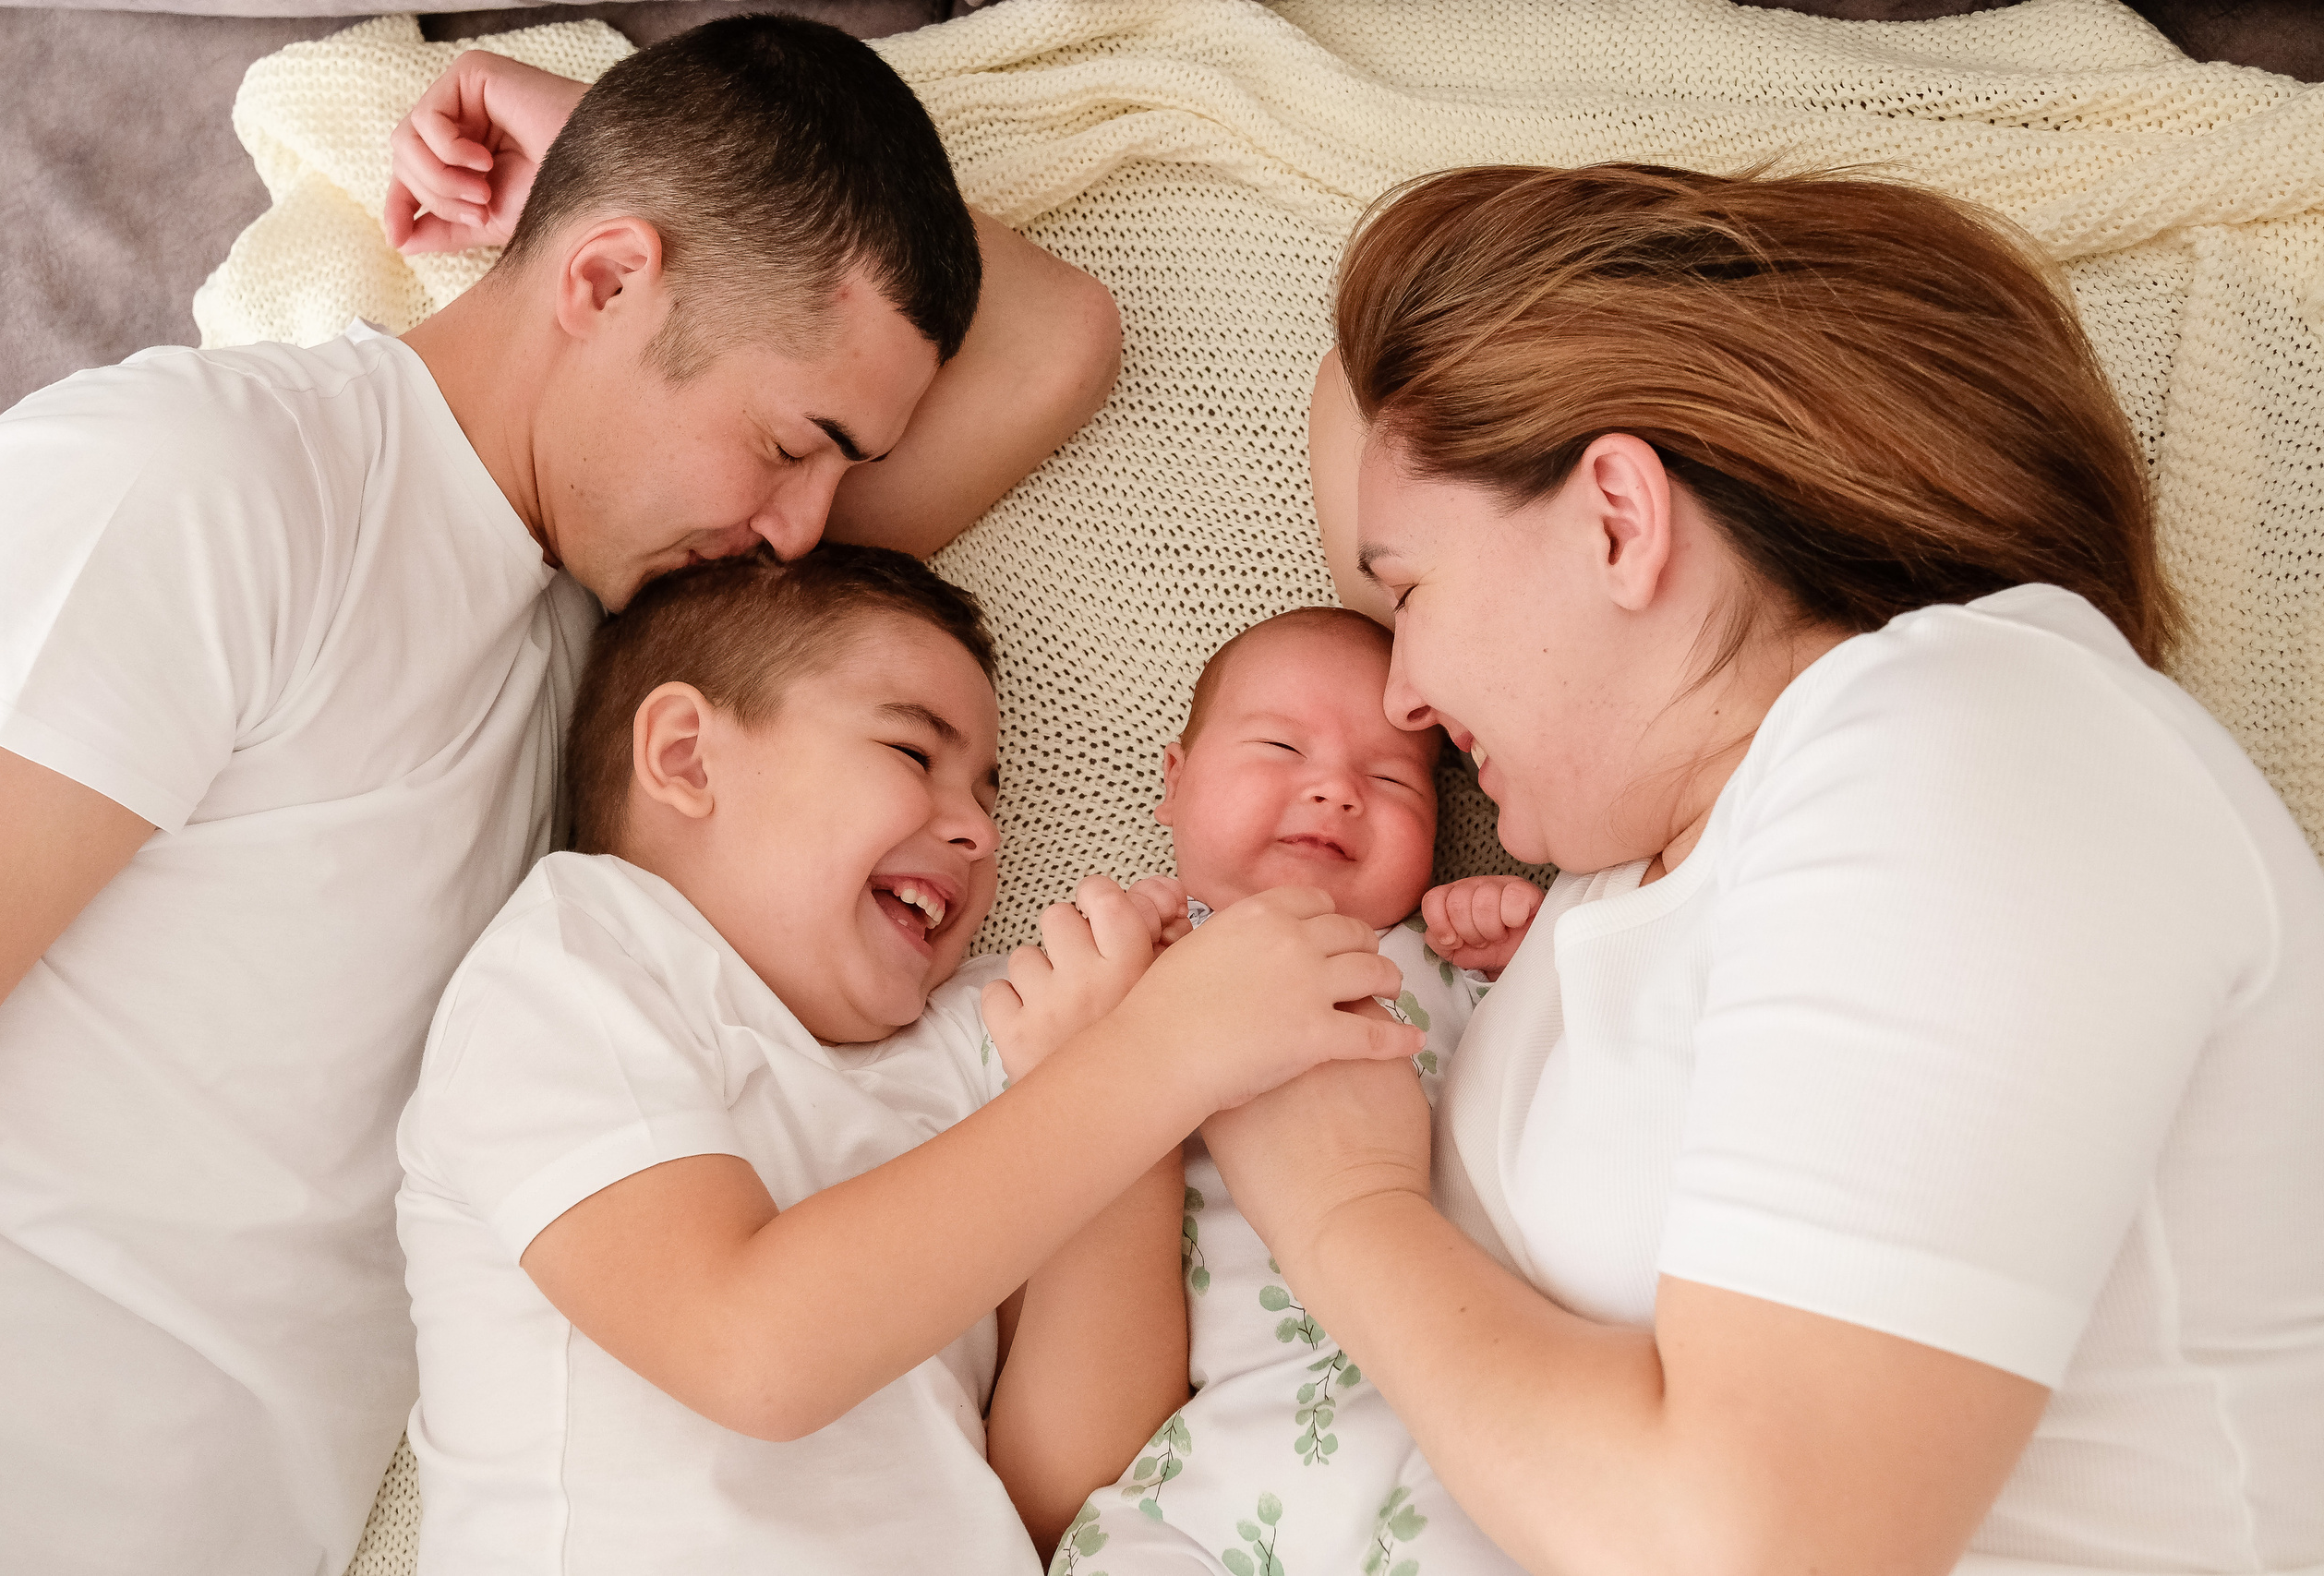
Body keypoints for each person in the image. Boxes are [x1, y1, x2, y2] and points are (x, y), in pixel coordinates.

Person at [0, 17, 1118, 1575]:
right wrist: (630, 191)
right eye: (792, 443)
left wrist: (600, 146)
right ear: (599, 284)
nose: (806, 530)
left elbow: (1057, 339)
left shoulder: (638, 664)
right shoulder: (205, 491)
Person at [1230, 163, 2324, 1576]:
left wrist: (1340, 1207)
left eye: (1408, 593)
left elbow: (1757, 1544)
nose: (1404, 696)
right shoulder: (1623, 878)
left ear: (1618, 518)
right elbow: (1367, 404)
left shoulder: (1978, 737)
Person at [403, 544, 1199, 1572]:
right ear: (688, 758)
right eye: (913, 755)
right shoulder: (578, 963)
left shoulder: (992, 1032)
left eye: (991, 800)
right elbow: (750, 1353)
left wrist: (1134, 1104)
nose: (976, 833)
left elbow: (1066, 1497)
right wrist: (1141, 1069)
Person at [1058, 606, 1540, 1576]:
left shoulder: (1438, 969)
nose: (1333, 790)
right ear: (1173, 783)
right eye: (1280, 745)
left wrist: (1517, 955)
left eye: (1392, 779)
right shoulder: (1117, 986)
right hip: (1224, 1457)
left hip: (1463, 1410)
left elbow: (1569, 1073)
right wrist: (1098, 1016)